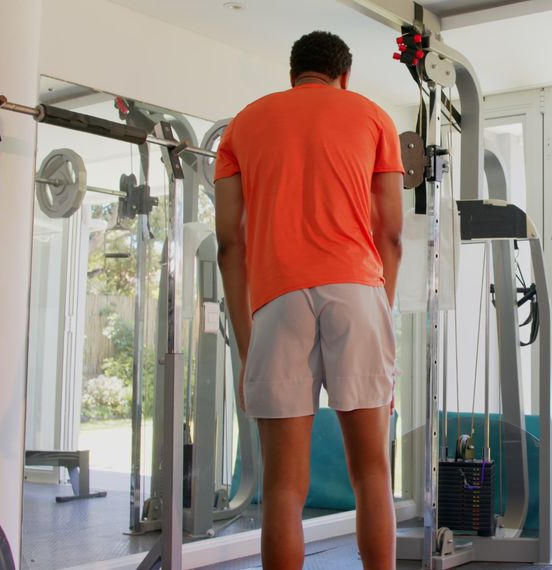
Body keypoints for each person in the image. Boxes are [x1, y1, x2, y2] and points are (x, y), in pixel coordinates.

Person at [214, 30, 404, 570]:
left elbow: (231, 243)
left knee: (282, 485)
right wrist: (381, 317)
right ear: (345, 76)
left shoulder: (245, 123)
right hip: (357, 292)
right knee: (371, 471)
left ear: (292, 75)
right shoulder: (371, 116)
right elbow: (390, 235)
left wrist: (248, 338)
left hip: (276, 298)